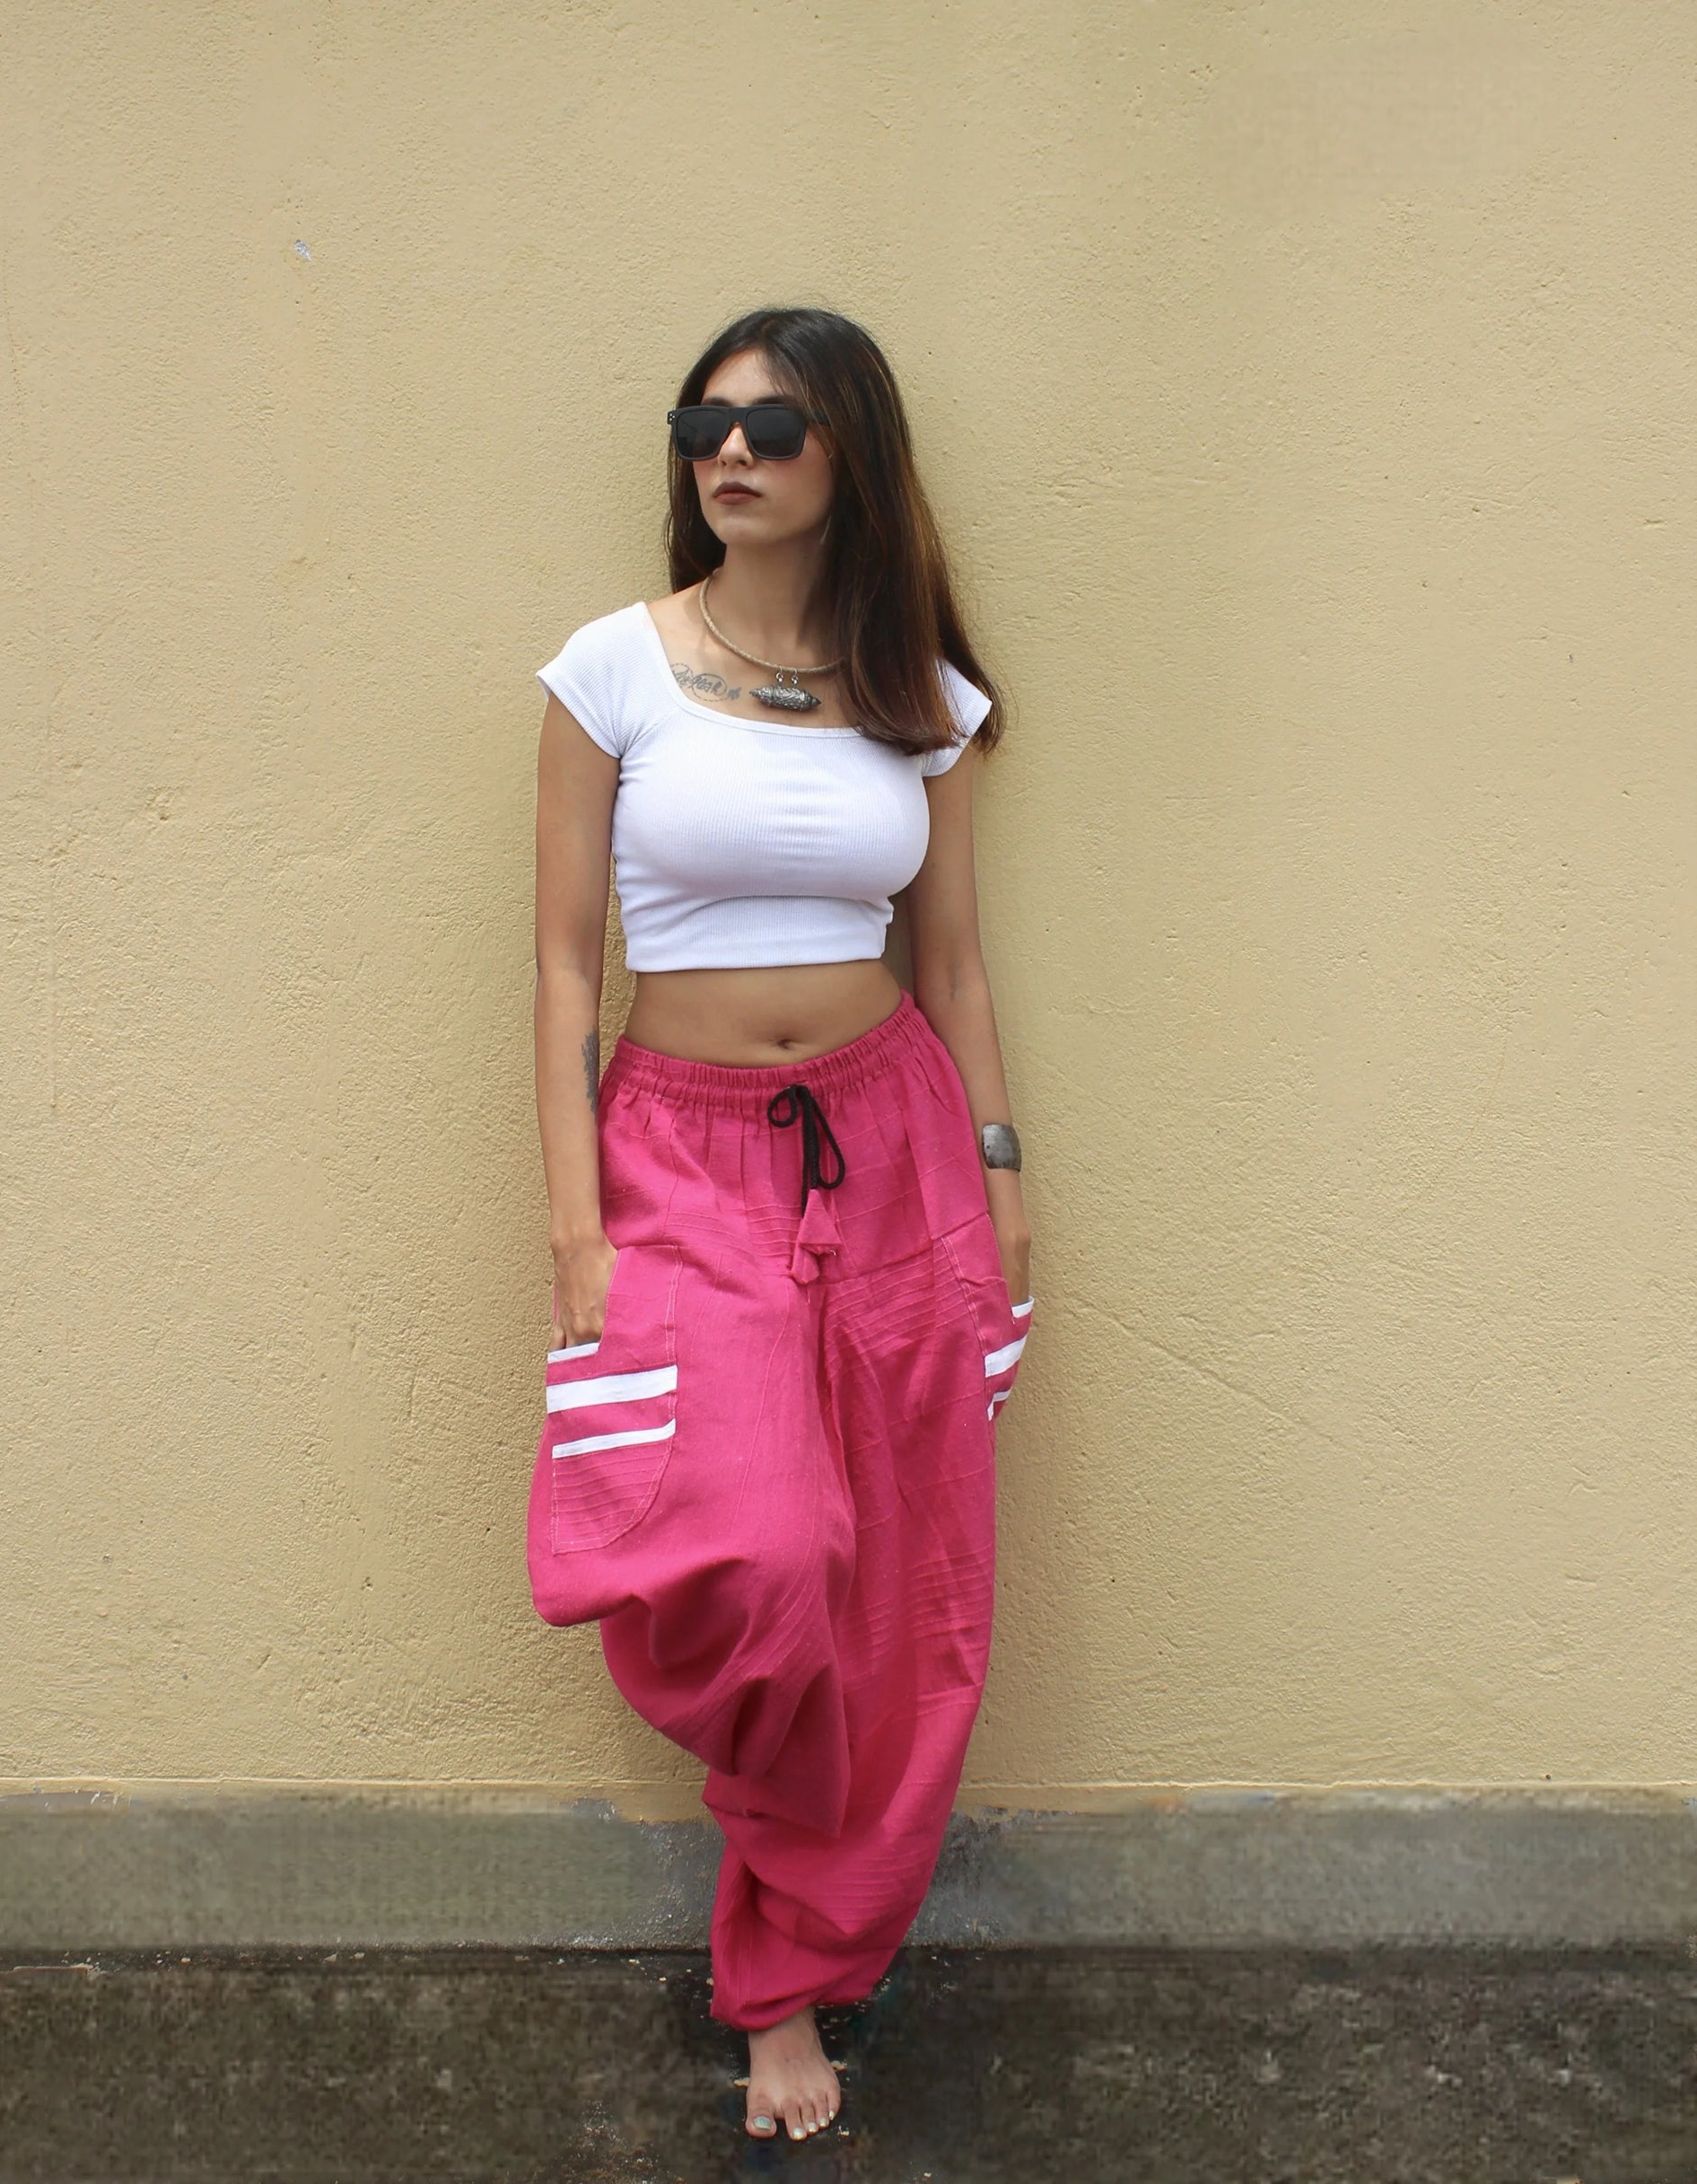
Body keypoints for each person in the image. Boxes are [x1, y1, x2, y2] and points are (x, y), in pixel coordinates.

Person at [528, 304, 1033, 2145]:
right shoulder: (612, 670)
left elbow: (954, 959)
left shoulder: (922, 696)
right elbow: (563, 961)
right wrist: (575, 1220)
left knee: (906, 1593)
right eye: (703, 419)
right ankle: (788, 1919)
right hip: (679, 1152)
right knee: (759, 1553)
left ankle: (787, 1977)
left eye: (774, 424)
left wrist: (999, 1165)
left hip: (896, 1146)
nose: (727, 450)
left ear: (850, 459)